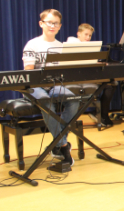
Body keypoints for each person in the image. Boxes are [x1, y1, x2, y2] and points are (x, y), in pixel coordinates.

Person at [22, 9, 80, 166]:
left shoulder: (61, 46)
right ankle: (62, 145)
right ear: (41, 24)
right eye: (49, 22)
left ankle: (57, 142)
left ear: (60, 26)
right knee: (45, 101)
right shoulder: (32, 44)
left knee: (74, 100)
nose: (52, 26)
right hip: (35, 87)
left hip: (55, 85)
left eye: (56, 23)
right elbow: (28, 70)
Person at [66, 23, 115, 127]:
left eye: (90, 35)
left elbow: (87, 61)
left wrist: (99, 63)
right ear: (78, 34)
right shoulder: (73, 43)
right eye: (86, 34)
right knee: (111, 85)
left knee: (112, 82)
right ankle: (103, 115)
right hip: (77, 77)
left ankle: (101, 113)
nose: (88, 37)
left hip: (85, 74)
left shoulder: (85, 45)